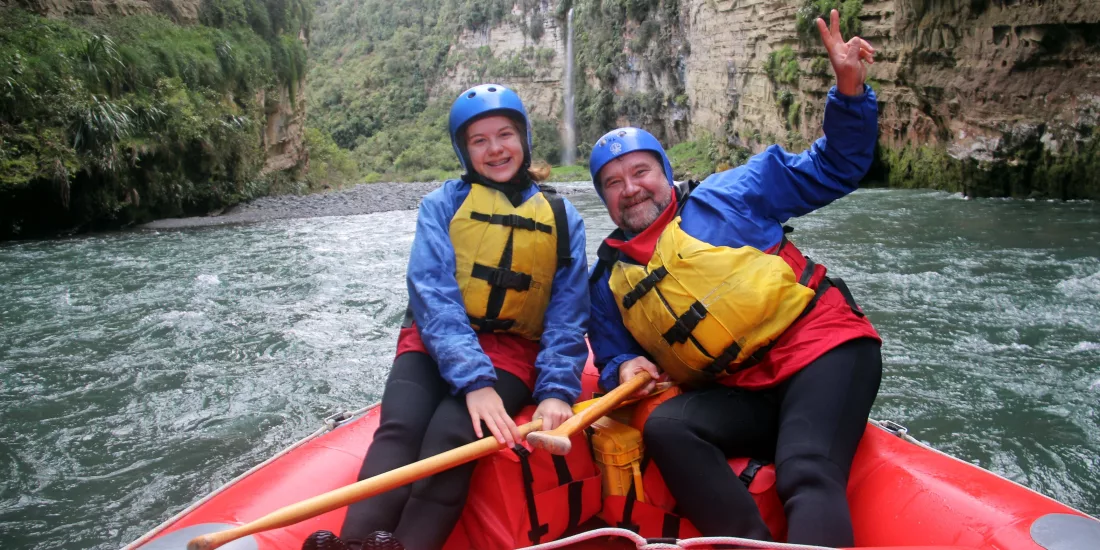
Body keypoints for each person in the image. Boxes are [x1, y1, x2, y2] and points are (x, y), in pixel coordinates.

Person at [585, 11, 881, 547]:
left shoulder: (731, 193)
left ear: (664, 172)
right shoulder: (607, 281)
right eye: (613, 182)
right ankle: (747, 540)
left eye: (641, 172)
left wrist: (849, 90)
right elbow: (610, 357)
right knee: (667, 427)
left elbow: (838, 165)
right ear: (603, 198)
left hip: (822, 353)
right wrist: (624, 364)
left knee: (805, 470)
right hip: (743, 391)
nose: (631, 188)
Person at [304, 84, 590, 550]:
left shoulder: (563, 218)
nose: (495, 149)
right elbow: (432, 293)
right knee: (400, 429)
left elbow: (567, 312)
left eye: (505, 135)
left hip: (511, 354)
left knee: (453, 437)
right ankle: (354, 543)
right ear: (464, 150)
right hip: (434, 342)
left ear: (524, 139)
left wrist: (557, 389)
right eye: (479, 140)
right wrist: (473, 380)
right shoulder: (443, 205)